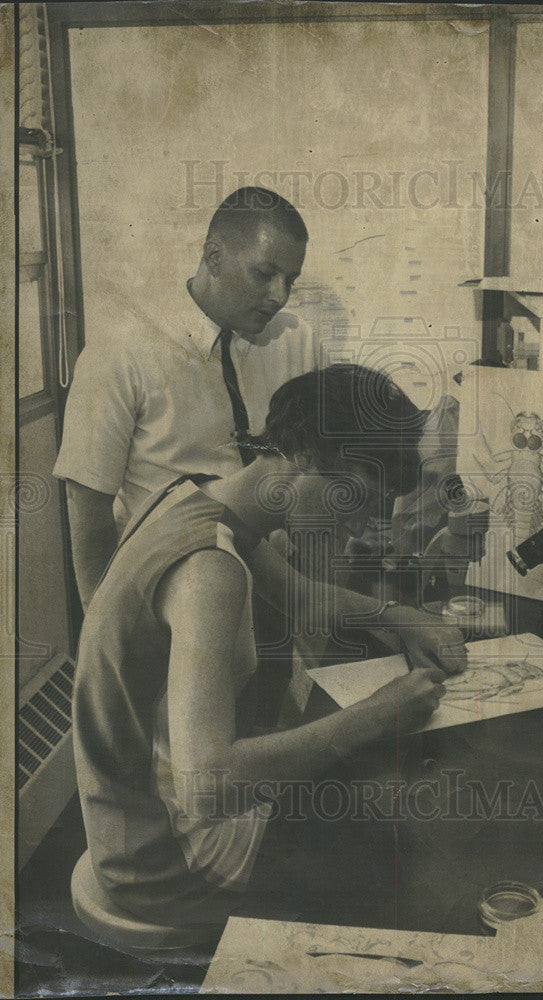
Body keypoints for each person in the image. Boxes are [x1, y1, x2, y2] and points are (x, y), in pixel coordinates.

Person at [72, 364, 467, 936]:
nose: (360, 526)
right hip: (164, 863)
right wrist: (379, 714)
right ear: (307, 455)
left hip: (128, 821)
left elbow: (298, 594)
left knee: (370, 801)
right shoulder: (210, 571)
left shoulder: (197, 495)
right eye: (358, 498)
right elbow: (207, 788)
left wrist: (406, 618)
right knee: (409, 865)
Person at [54, 186, 314, 609]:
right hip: (172, 604)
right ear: (214, 256)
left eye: (291, 280)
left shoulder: (295, 342)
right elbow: (87, 503)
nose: (279, 295)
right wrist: (106, 631)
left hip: (276, 591)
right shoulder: (121, 351)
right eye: (264, 274)